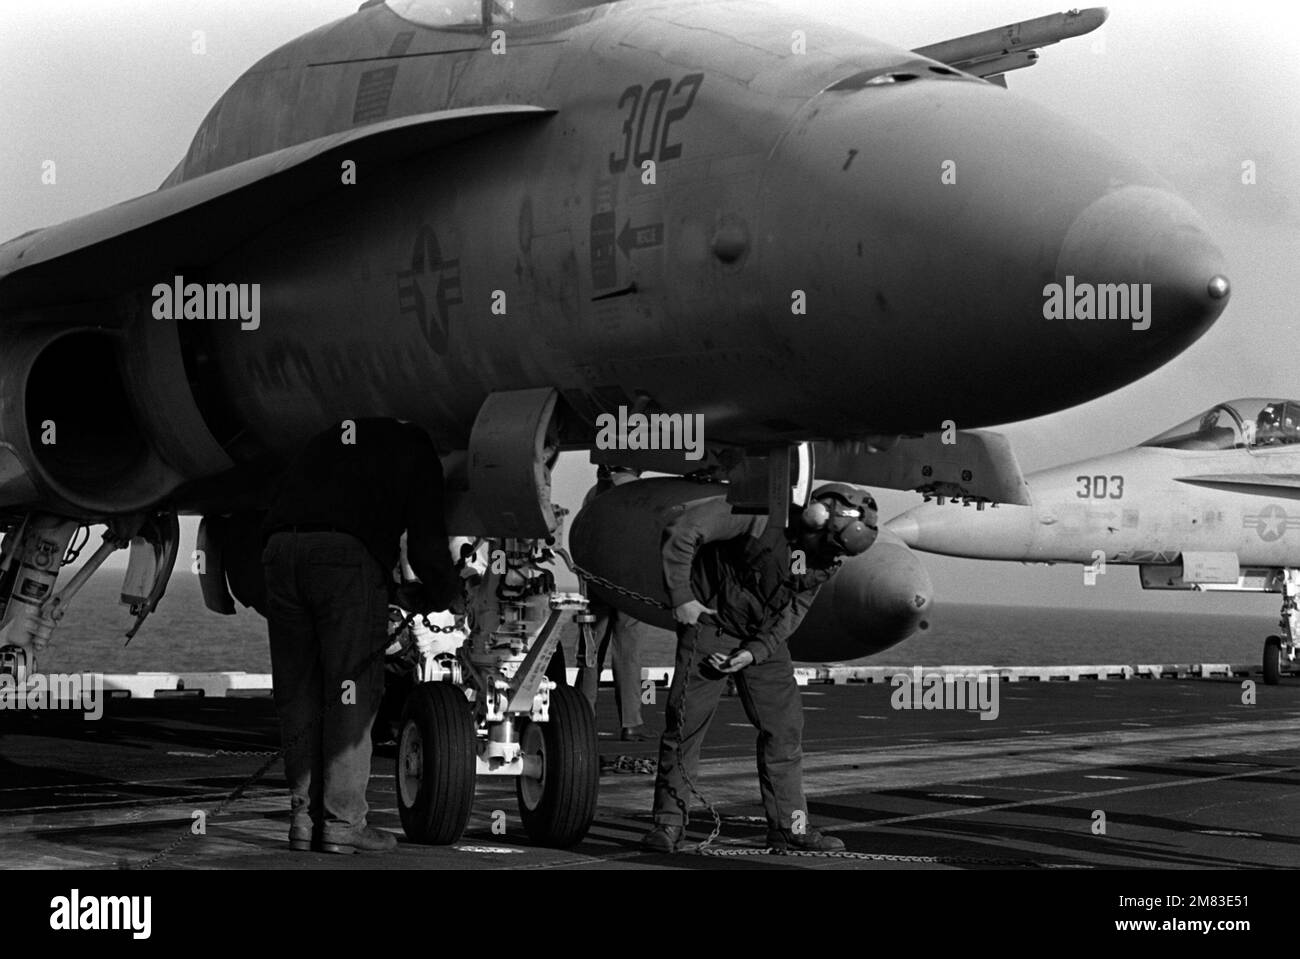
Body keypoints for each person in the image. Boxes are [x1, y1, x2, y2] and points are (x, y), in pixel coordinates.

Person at [641, 483, 878, 854]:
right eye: (830, 547)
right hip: (709, 625)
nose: (830, 557)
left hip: (762, 640)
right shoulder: (757, 512)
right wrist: (682, 599)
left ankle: (789, 827)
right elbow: (683, 530)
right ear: (818, 517)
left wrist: (755, 652)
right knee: (685, 726)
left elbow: (793, 611)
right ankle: (668, 825)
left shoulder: (825, 558)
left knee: (784, 729)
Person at [262, 418, 459, 854]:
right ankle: (342, 822)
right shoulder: (417, 445)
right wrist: (448, 594)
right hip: (344, 560)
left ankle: (302, 818)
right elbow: (427, 545)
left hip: (279, 552)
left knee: (298, 693)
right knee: (351, 690)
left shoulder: (329, 435)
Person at [577, 466, 650, 741]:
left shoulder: (593, 493)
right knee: (629, 652)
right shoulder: (639, 492)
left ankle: (583, 717)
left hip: (597, 579)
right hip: (630, 582)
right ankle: (631, 723)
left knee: (591, 652)